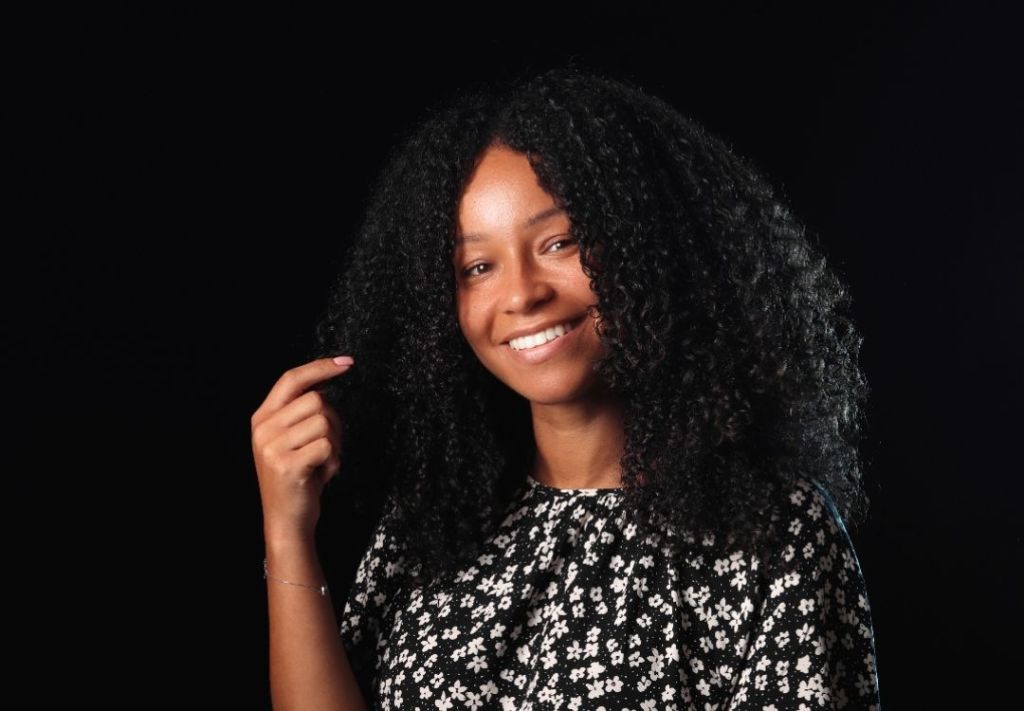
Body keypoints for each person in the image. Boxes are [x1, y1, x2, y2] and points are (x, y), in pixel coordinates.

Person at [253, 63, 883, 710]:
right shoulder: (433, 526)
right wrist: (287, 532)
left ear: (646, 244)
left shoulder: (774, 532)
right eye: (477, 266)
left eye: (560, 242)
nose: (522, 294)